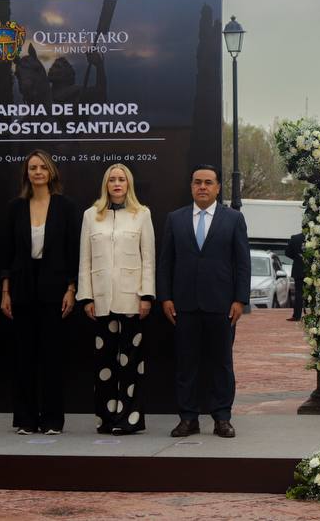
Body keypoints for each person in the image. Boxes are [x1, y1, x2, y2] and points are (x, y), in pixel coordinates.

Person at [158, 165, 250, 439]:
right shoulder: (175, 219)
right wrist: (165, 297)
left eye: (208, 183)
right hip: (184, 305)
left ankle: (222, 418)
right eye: (197, 182)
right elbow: (166, 263)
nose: (202, 187)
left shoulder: (233, 219)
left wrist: (240, 300)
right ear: (191, 186)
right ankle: (188, 418)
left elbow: (242, 263)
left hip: (222, 305)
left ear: (218, 187)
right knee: (187, 365)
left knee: (222, 364)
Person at [0, 150, 81, 435]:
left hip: (54, 288)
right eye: (32, 168)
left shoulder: (66, 207)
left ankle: (51, 419)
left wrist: (71, 288)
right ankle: (25, 418)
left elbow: (73, 251)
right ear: (26, 174)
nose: (37, 172)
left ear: (51, 173)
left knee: (51, 356)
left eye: (42, 167)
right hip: (22, 287)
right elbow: (7, 253)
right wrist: (5, 290)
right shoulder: (15, 207)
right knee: (24, 356)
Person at [77, 163, 155, 435]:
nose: (117, 184)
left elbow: (149, 258)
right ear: (106, 184)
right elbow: (84, 259)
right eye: (112, 180)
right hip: (101, 299)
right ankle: (106, 419)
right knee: (104, 363)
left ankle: (129, 419)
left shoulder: (142, 214)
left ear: (129, 184)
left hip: (131, 299)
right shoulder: (90, 215)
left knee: (131, 362)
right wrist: (85, 296)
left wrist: (146, 295)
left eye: (122, 179)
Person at [285, 231, 306, 322]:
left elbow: (287, 253)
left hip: (299, 269)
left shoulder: (295, 238)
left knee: (299, 293)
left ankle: (297, 315)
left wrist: (298, 258)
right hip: (312, 270)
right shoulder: (318, 237)